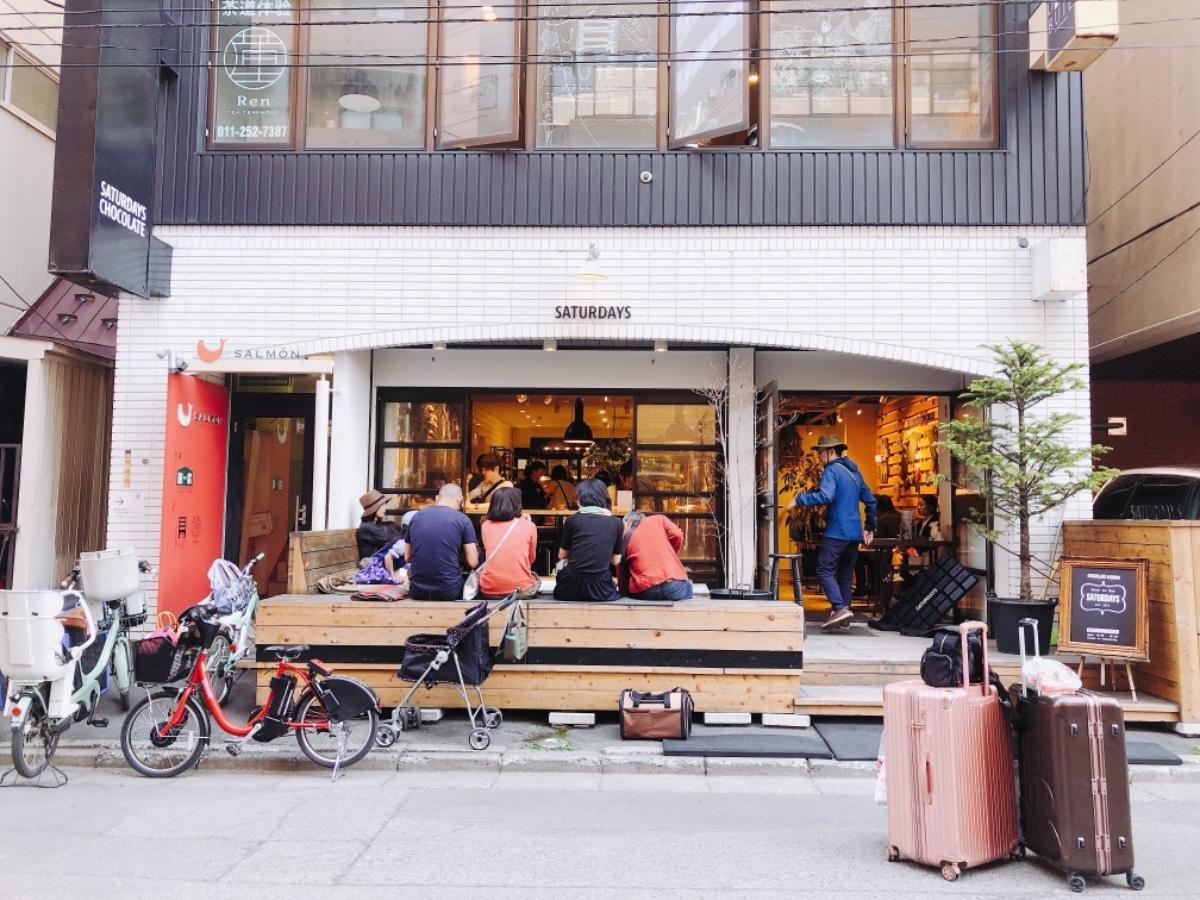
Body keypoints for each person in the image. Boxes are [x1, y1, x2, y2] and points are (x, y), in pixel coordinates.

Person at [792, 434, 877, 629]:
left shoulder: (831, 470)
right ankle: (844, 617)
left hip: (837, 530)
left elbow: (826, 495)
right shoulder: (855, 473)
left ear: (831, 452)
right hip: (854, 533)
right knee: (845, 574)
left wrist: (799, 500)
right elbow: (871, 501)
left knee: (824, 569)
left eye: (820, 453)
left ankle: (839, 608)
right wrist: (869, 527)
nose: (818, 457)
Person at [553, 478, 624, 602]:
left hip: (570, 587)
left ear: (580, 499)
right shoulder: (617, 523)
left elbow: (562, 555)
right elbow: (615, 560)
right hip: (602, 590)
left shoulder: (572, 520)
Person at [405, 483, 479, 600]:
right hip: (449, 591)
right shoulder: (463, 520)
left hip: (417, 591)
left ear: (437, 498)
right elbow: (473, 562)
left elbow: (408, 557)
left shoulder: (416, 517)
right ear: (459, 500)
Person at [479, 487, 540, 600]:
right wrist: (526, 521)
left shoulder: (485, 525)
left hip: (489, 590)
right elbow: (531, 559)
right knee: (535, 578)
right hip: (521, 590)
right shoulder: (529, 526)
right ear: (517, 504)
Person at [619, 511, 693, 601]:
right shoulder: (659, 519)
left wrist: (623, 591)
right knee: (688, 586)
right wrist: (671, 553)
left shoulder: (624, 535)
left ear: (626, 522)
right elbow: (677, 534)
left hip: (644, 591)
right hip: (672, 586)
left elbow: (620, 566)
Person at [355, 489, 402, 561]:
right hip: (374, 565)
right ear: (374, 509)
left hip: (382, 562)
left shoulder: (377, 524)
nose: (385, 508)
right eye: (382, 505)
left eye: (385, 504)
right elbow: (391, 539)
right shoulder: (366, 527)